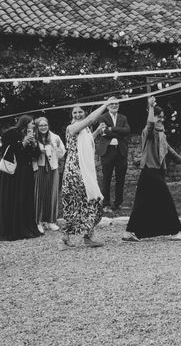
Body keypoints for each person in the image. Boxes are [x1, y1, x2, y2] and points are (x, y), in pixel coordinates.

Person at [122, 96, 181, 243]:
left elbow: (168, 148)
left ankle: (129, 232)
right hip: (150, 170)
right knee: (167, 200)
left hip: (157, 170)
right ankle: (176, 232)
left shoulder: (161, 133)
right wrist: (151, 107)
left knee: (142, 202)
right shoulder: (148, 132)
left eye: (162, 117)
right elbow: (150, 125)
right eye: (158, 118)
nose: (161, 120)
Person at [59, 99, 115, 250]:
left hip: (84, 170)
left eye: (80, 112)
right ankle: (70, 237)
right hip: (75, 171)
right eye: (75, 112)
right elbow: (90, 119)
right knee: (80, 202)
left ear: (83, 112)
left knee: (87, 202)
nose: (78, 114)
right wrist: (105, 105)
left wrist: (96, 131)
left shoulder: (85, 130)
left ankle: (85, 236)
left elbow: (87, 141)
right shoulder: (72, 127)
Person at [0, 115, 41, 241]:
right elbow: (8, 151)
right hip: (13, 172)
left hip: (26, 171)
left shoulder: (32, 134)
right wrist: (23, 143)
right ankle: (13, 229)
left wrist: (34, 145)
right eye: (32, 123)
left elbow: (35, 155)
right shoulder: (11, 133)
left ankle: (25, 227)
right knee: (15, 196)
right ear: (25, 123)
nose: (33, 126)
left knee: (25, 197)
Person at [95, 100, 130, 212]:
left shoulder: (123, 117)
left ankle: (118, 203)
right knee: (107, 178)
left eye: (116, 104)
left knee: (121, 178)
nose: (114, 105)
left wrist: (112, 128)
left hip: (121, 151)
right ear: (108, 106)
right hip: (107, 151)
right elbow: (104, 132)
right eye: (112, 104)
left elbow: (127, 131)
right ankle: (106, 204)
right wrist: (120, 132)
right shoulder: (102, 117)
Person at [33, 117, 66, 233]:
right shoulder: (33, 137)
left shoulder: (55, 137)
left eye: (45, 125)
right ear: (37, 127)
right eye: (40, 125)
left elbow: (62, 154)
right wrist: (38, 151)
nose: (43, 127)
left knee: (52, 193)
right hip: (39, 168)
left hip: (52, 168)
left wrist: (56, 146)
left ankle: (51, 220)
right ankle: (38, 221)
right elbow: (30, 154)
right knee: (39, 194)